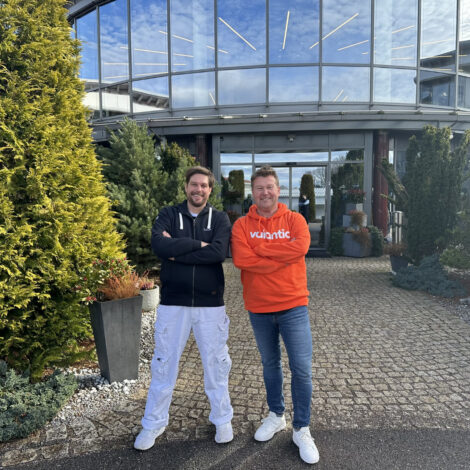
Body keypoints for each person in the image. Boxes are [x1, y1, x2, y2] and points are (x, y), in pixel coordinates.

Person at [134, 166, 233, 450]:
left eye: (203, 185)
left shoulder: (220, 218)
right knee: (164, 364)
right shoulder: (168, 213)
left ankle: (222, 418)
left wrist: (177, 250)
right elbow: (159, 246)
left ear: (210, 190)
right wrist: (196, 244)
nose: (198, 189)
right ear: (186, 187)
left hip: (210, 304)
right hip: (173, 304)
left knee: (216, 365)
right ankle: (153, 424)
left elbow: (218, 253)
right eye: (193, 185)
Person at [231, 165, 319, 465]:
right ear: (252, 193)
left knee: (302, 368)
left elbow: (301, 248)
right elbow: (242, 259)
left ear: (279, 190)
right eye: (259, 188)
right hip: (259, 307)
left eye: (270, 187)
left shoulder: (295, 220)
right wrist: (280, 255)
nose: (265, 192)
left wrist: (261, 251)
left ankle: (302, 428)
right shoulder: (242, 225)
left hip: (294, 305)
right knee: (270, 365)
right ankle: (277, 415)